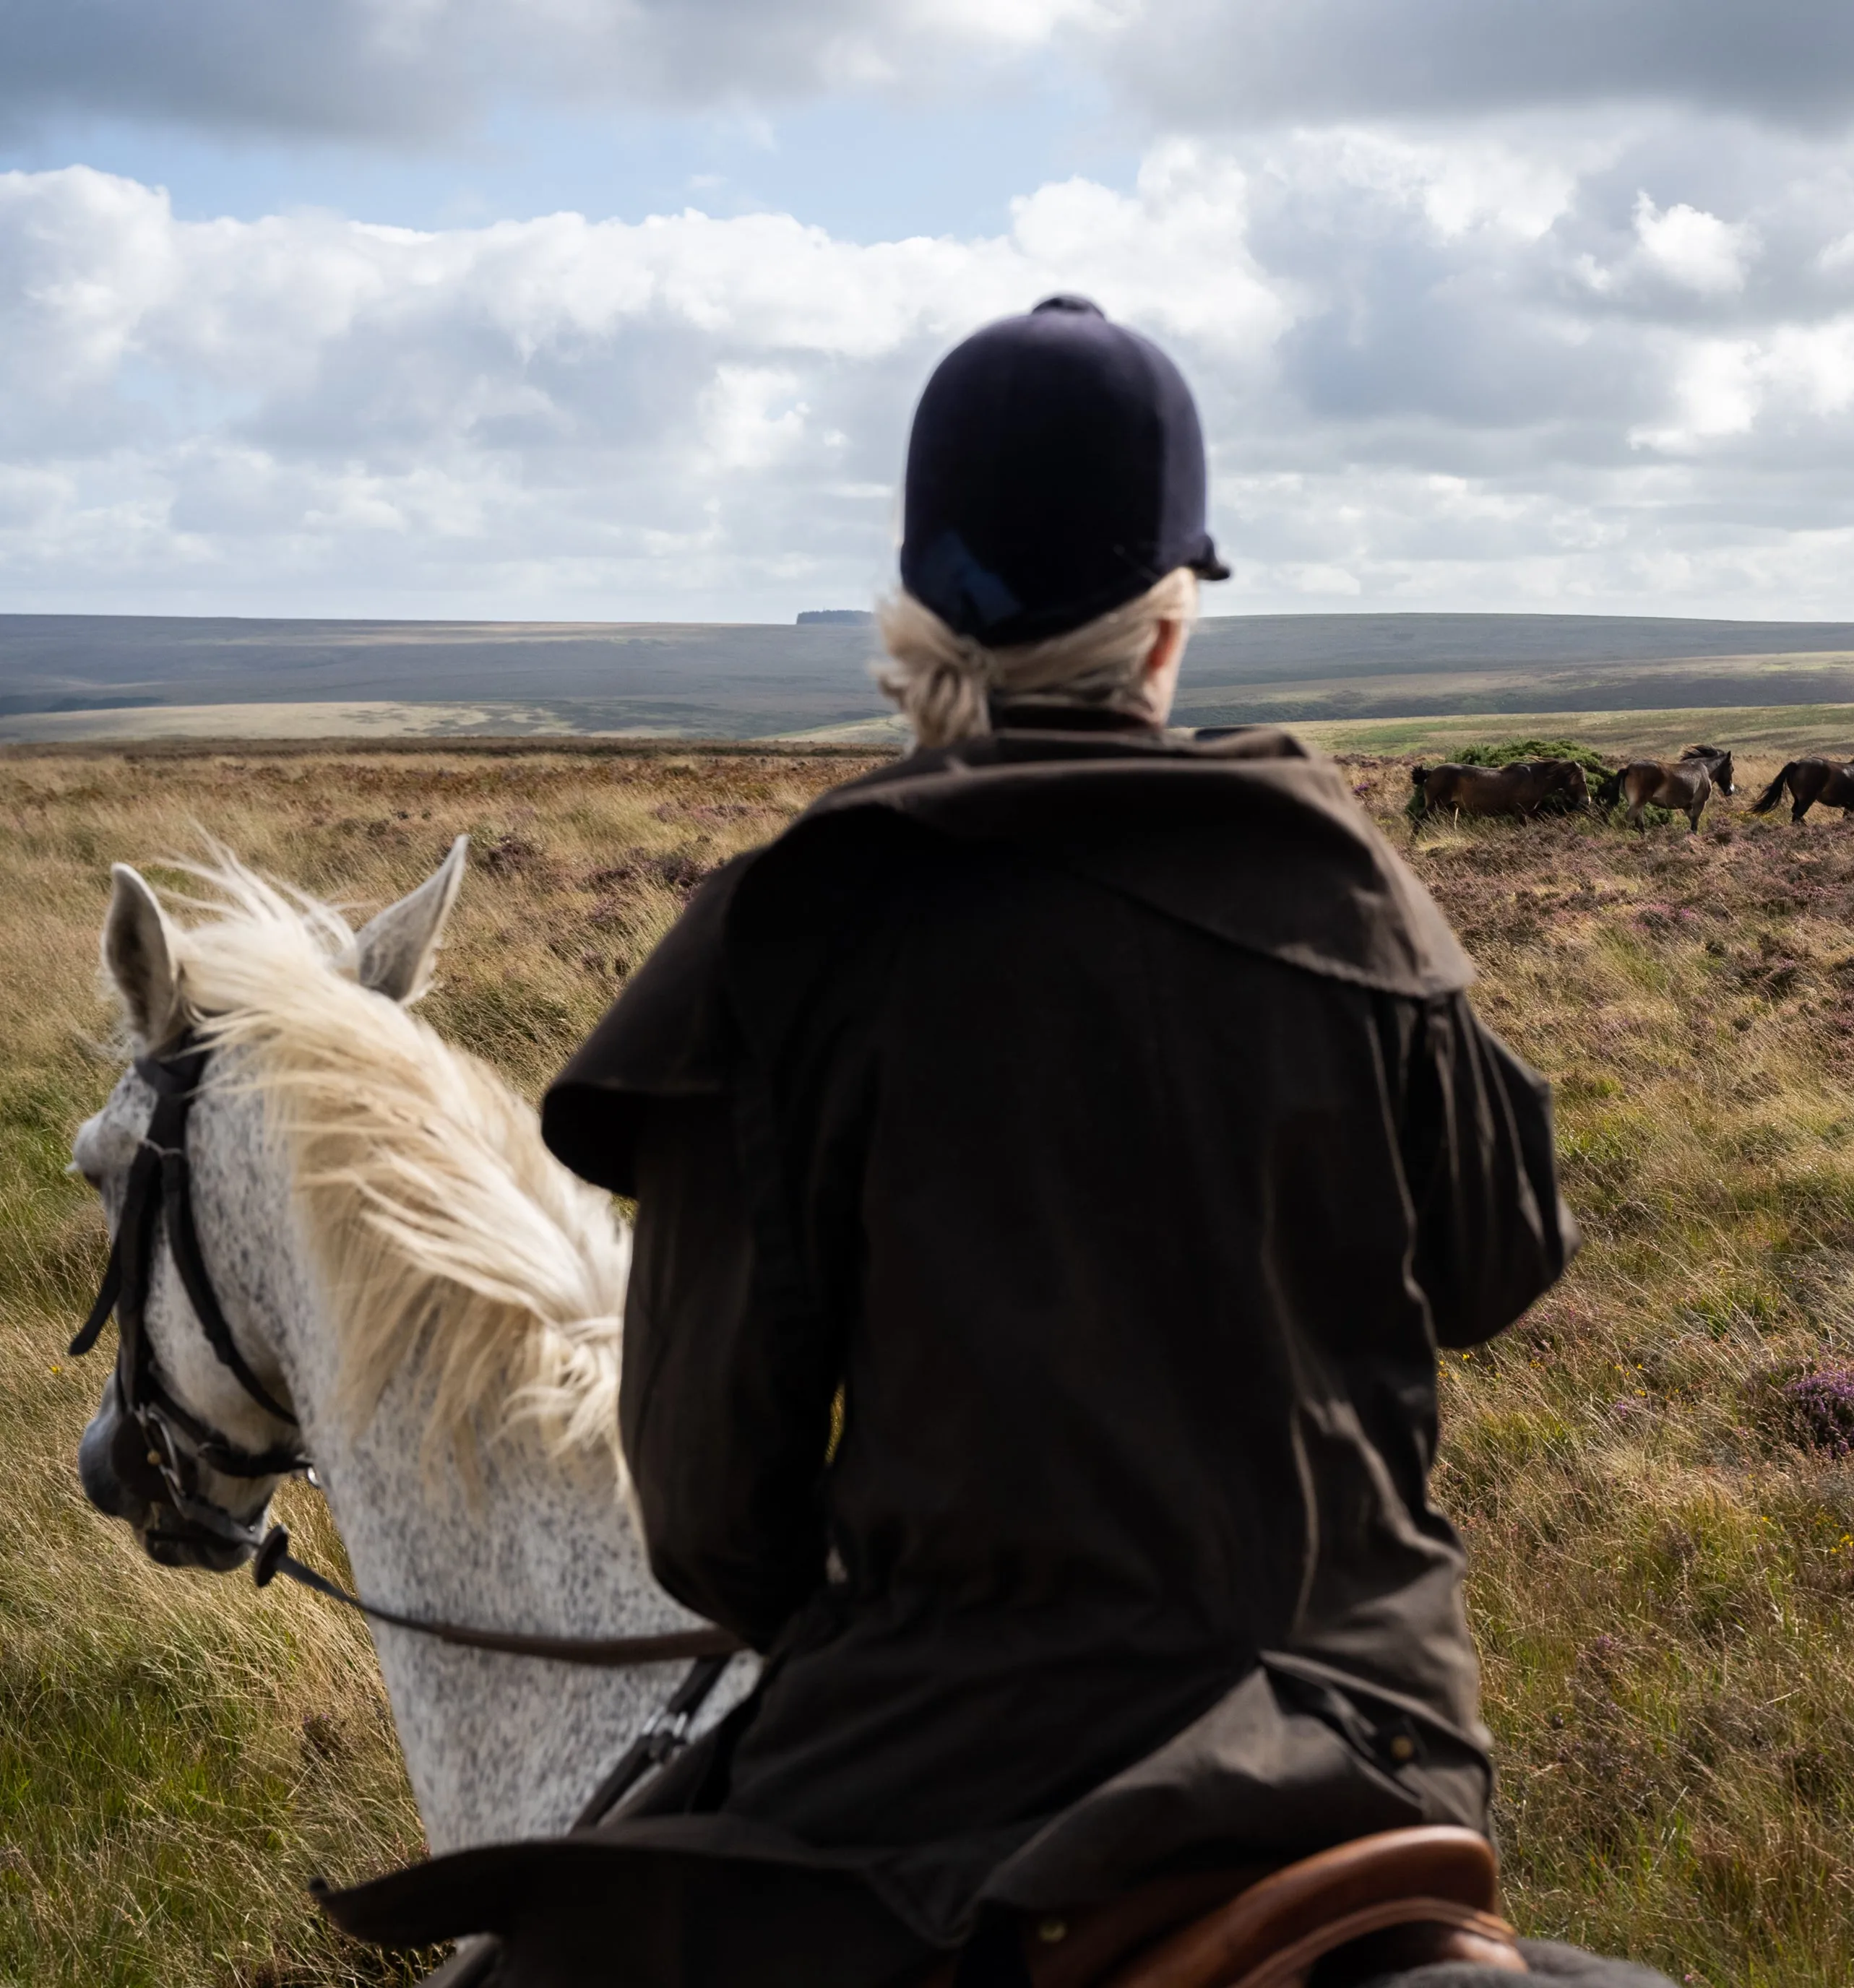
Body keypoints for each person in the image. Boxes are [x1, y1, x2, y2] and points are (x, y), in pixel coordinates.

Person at [324, 297, 1606, 1987]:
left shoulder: (803, 931)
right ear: (1169, 628)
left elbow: (714, 1518)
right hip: (1369, 1738)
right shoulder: (1335, 878)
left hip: (947, 1769)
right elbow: (1506, 1255)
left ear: (915, 616)